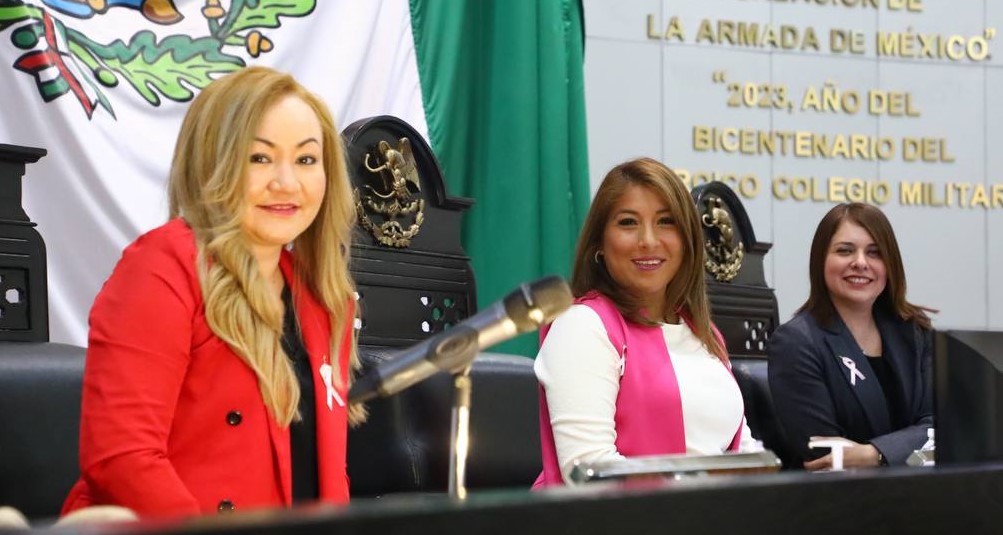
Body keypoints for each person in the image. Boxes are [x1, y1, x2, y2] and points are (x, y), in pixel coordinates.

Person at [61, 66, 363, 518]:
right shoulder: (162, 266)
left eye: (305, 160)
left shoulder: (325, 297)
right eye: (259, 158)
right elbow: (123, 459)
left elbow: (327, 475)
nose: (286, 183)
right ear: (212, 163)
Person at [533, 157, 757, 487]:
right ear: (599, 244)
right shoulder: (583, 325)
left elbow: (746, 455)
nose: (649, 240)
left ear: (687, 240)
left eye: (666, 222)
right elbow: (590, 472)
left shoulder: (704, 333)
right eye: (628, 223)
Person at [768, 203, 934, 470]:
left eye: (874, 253)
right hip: (841, 494)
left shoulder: (915, 333)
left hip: (928, 490)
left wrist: (875, 453)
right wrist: (907, 448)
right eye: (845, 251)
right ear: (821, 260)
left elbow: (940, 428)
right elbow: (826, 456)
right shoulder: (796, 343)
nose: (860, 262)